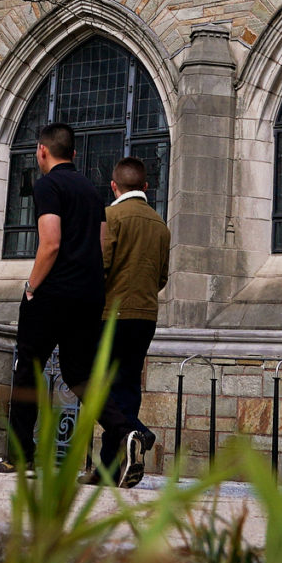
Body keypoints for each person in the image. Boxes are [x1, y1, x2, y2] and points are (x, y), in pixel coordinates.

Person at [0, 120, 107, 473]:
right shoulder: (91, 191)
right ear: (74, 153)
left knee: (28, 370)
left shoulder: (48, 186)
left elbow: (50, 243)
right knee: (79, 373)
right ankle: (123, 426)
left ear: (42, 150)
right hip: (88, 294)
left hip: (53, 294)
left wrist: (31, 287)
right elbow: (100, 246)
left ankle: (21, 456)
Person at [94, 155, 168, 486]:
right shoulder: (160, 224)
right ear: (146, 186)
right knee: (126, 386)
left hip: (111, 313)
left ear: (114, 186)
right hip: (145, 315)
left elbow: (101, 267)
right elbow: (161, 277)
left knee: (92, 383)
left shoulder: (110, 216)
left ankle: (134, 430)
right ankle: (110, 468)